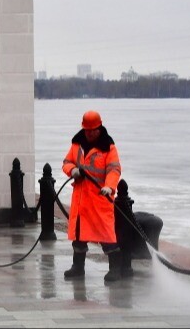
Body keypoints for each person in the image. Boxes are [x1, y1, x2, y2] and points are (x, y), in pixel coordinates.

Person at [62, 110, 123, 282]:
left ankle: (115, 269)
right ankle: (78, 267)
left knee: (106, 235)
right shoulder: (76, 144)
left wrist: (109, 187)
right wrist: (72, 170)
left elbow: (114, 169)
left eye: (92, 130)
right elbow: (67, 162)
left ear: (99, 128)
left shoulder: (109, 148)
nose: (89, 134)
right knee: (79, 236)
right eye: (87, 130)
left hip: (99, 199)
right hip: (81, 198)